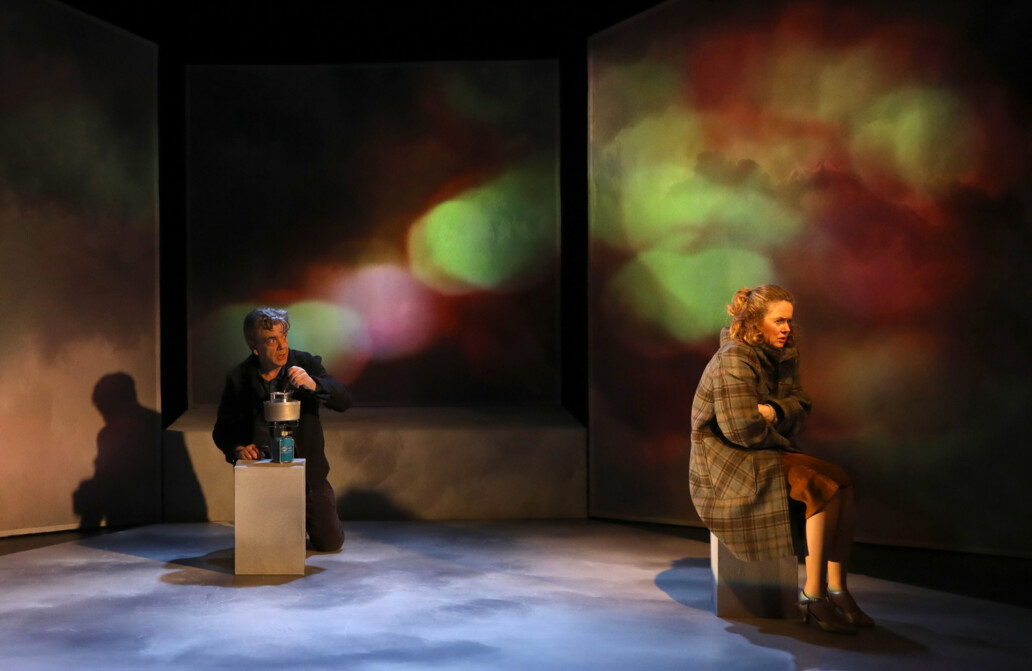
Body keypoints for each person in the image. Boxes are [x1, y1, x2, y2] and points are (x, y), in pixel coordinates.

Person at [689, 285, 873, 633]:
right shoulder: (734, 359)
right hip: (727, 463)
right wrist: (779, 430)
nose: (787, 328)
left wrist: (773, 411)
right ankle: (814, 596)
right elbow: (741, 430)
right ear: (755, 322)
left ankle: (837, 589)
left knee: (842, 482)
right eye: (779, 321)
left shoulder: (783, 355)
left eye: (789, 321)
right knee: (821, 488)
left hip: (763, 450)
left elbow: (801, 408)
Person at [213, 307, 352, 552]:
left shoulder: (305, 363)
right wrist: (238, 449)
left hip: (308, 476)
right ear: (255, 348)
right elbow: (222, 431)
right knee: (271, 548)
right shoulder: (239, 378)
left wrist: (313, 383)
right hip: (264, 475)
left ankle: (303, 519)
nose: (282, 346)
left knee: (330, 543)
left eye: (284, 336)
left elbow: (344, 400)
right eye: (271, 340)